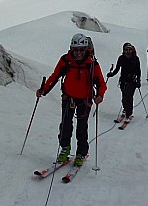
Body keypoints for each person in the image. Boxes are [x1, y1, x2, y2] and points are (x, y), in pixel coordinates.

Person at [36, 33, 107, 166]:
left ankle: (81, 153)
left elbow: (101, 83)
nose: (79, 53)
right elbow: (54, 76)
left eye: (81, 50)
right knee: (65, 125)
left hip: (85, 100)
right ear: (71, 49)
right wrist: (43, 90)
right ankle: (65, 149)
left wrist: (100, 95)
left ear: (86, 49)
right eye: (76, 50)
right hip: (68, 97)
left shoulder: (92, 64)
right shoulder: (66, 61)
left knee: (81, 127)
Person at [106, 43, 141, 122]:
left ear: (132, 50)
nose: (128, 51)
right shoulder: (121, 58)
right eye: (126, 50)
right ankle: (125, 109)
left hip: (132, 81)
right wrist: (111, 74)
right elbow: (117, 69)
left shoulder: (135, 59)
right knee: (124, 98)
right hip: (123, 81)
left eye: (129, 49)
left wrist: (138, 81)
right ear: (123, 50)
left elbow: (138, 71)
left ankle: (129, 114)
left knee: (129, 97)